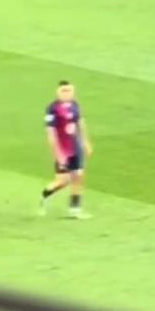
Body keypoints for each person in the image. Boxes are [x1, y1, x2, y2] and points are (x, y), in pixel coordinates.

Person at [40, 81, 93, 218]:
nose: (66, 93)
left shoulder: (75, 105)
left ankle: (75, 209)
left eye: (69, 90)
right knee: (63, 181)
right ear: (57, 92)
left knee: (78, 176)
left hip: (75, 147)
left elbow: (80, 122)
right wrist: (58, 155)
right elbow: (50, 134)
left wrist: (85, 142)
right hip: (63, 151)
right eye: (63, 90)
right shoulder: (52, 109)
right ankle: (44, 195)